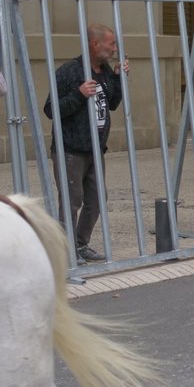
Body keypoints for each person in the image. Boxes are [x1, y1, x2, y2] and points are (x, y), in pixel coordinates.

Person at [43, 24, 130, 262]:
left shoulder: (103, 72)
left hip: (96, 148)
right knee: (72, 202)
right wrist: (79, 94)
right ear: (95, 44)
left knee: (96, 199)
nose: (114, 49)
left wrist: (119, 78)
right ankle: (65, 251)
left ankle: (80, 245)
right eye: (111, 44)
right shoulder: (70, 71)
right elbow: (50, 109)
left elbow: (111, 104)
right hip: (70, 149)